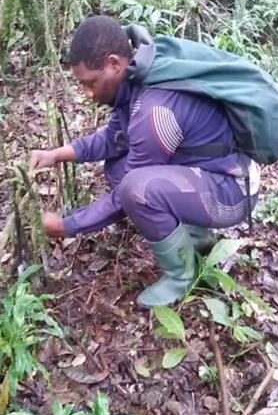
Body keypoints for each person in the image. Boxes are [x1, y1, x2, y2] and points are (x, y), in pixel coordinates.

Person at [30, 15, 260, 308]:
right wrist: (56, 154)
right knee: (118, 166)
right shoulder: (140, 77)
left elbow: (126, 195)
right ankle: (194, 238)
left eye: (90, 83)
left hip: (232, 194)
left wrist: (65, 226)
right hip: (209, 176)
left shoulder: (153, 108)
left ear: (114, 64)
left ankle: (182, 275)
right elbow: (111, 139)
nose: (87, 94)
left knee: (136, 187)